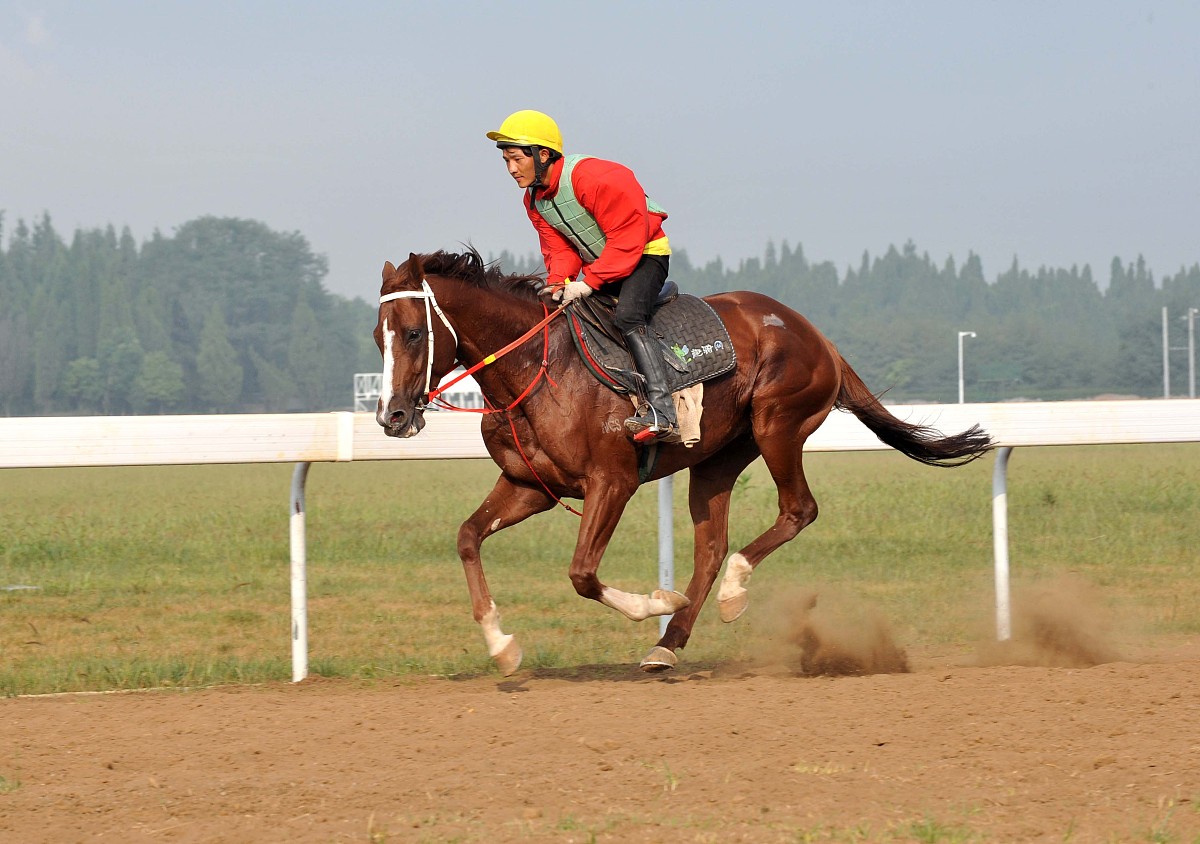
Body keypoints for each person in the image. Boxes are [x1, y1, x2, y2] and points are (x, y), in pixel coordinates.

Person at [486, 109, 679, 443]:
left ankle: (663, 412)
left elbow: (626, 241)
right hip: (604, 264)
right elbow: (559, 250)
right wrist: (558, 283)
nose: (511, 169)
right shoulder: (534, 200)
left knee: (629, 316)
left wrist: (588, 283)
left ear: (542, 154)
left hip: (645, 256)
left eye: (516, 159)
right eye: (506, 161)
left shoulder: (596, 177)